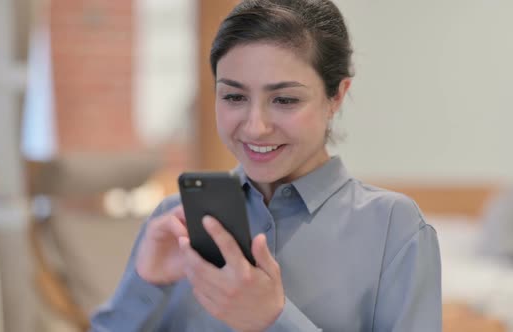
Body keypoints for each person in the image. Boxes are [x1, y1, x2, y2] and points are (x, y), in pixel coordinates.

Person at [90, 0, 442, 331]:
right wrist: (146, 286)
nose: (255, 126)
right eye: (234, 96)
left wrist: (273, 320)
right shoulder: (176, 220)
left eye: (285, 99)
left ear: (336, 95)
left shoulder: (394, 228)